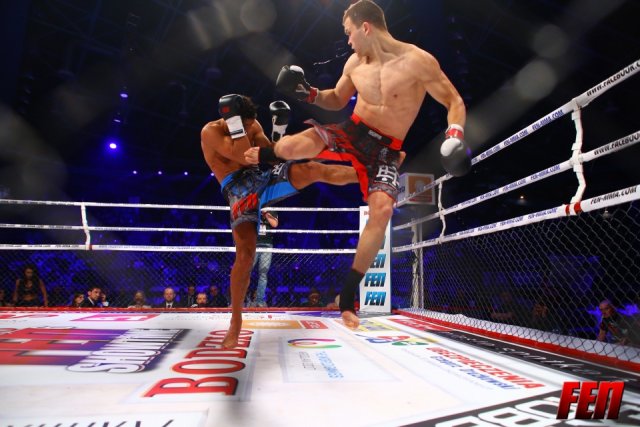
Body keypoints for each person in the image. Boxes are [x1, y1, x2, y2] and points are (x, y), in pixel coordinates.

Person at [245, 0, 469, 329]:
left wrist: (455, 134)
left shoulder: (417, 61)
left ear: (366, 27)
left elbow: (454, 100)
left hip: (386, 149)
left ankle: (348, 297)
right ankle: (264, 156)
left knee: (382, 210)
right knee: (292, 146)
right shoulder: (354, 63)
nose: (348, 40)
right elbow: (337, 98)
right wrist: (308, 93)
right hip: (352, 130)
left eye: (349, 32)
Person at [201, 94, 358, 348]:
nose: (250, 127)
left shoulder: (252, 124)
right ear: (231, 119)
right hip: (238, 190)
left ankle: (369, 174)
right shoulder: (210, 131)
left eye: (249, 124)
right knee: (245, 256)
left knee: (312, 168)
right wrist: (236, 124)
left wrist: (275, 137)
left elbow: (271, 157)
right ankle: (236, 321)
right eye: (243, 124)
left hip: (263, 176)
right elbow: (242, 156)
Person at [249, 211, 278, 307]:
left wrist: (266, 214)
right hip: (253, 244)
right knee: (246, 273)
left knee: (263, 274)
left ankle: (260, 300)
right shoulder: (252, 209)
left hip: (267, 245)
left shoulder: (272, 211)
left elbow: (275, 224)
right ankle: (242, 299)